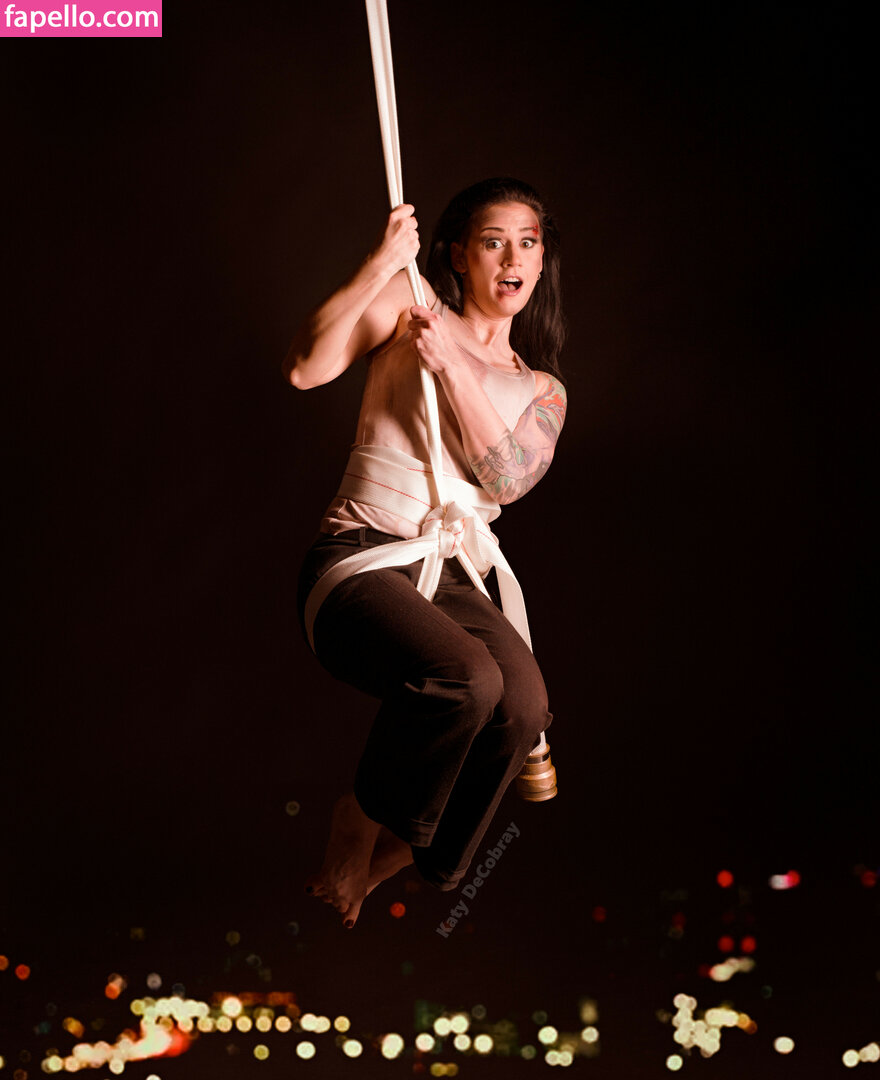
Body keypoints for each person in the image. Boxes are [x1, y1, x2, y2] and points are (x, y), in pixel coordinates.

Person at [284, 177, 567, 928]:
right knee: (468, 677)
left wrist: (453, 366)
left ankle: (415, 860)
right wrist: (379, 263)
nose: (512, 258)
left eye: (527, 243)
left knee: (524, 705)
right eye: (493, 242)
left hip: (451, 579)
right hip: (359, 556)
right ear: (459, 255)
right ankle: (361, 812)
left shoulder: (541, 391)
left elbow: (505, 481)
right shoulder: (410, 307)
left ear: (541, 262)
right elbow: (305, 368)